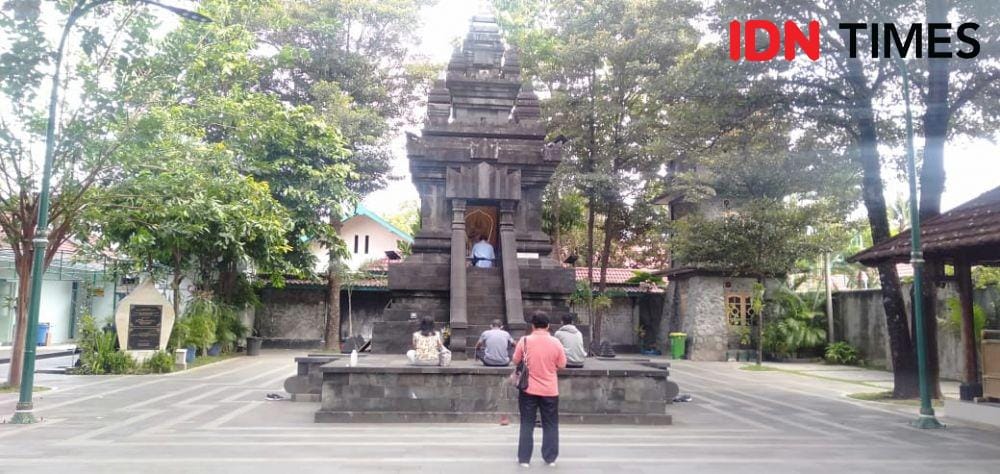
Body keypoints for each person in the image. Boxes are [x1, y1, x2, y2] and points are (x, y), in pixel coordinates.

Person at [511, 312, 567, 467]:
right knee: (550, 424)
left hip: (528, 389)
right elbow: (562, 364)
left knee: (527, 423)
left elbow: (515, 360)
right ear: (548, 326)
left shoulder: (525, 341)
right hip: (550, 389)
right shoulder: (556, 342)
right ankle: (550, 458)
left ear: (532, 326)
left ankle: (524, 459)